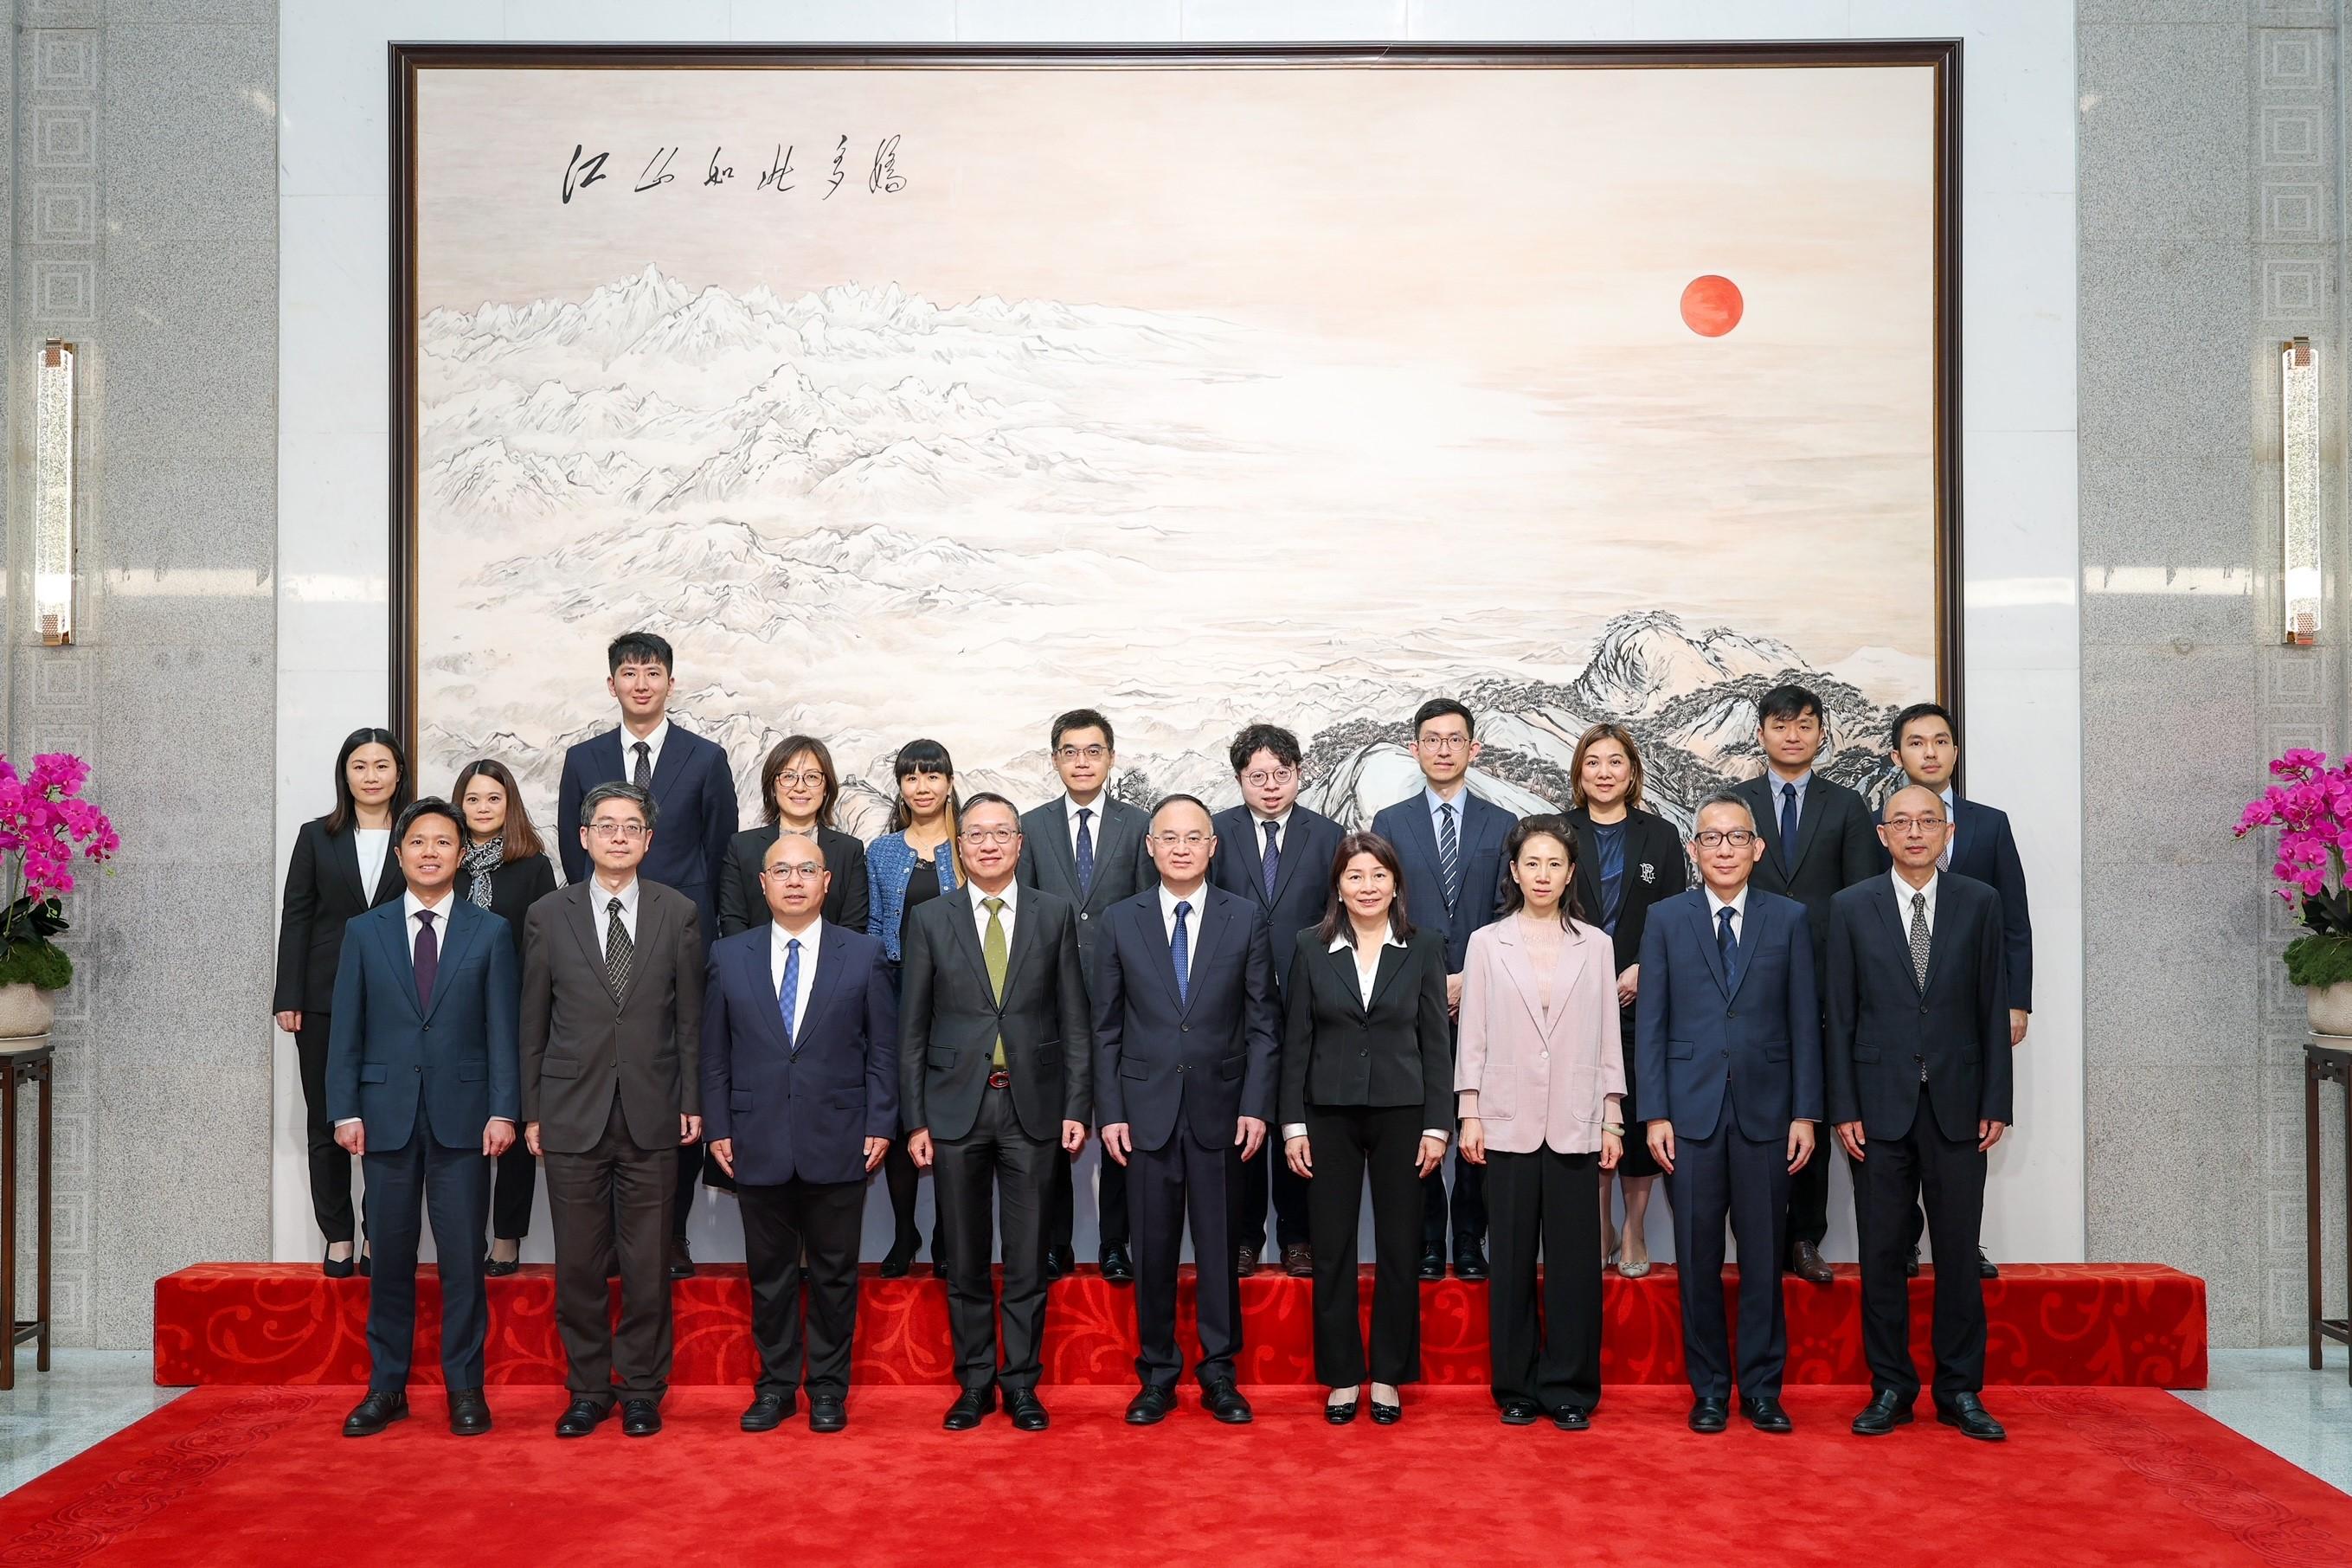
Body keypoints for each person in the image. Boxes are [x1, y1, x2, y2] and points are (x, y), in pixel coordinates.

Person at [327, 798, 520, 1438]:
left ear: (461, 855)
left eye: (443, 842)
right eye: (418, 842)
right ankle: (387, 1387)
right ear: (399, 853)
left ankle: (466, 1388)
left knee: (464, 1259)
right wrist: (344, 1110)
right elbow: (346, 1031)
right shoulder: (365, 931)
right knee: (389, 1259)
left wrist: (504, 1110)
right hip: (384, 1118)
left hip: (465, 1120)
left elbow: (503, 1031)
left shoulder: (489, 931)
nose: (430, 852)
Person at [899, 794, 1092, 1432]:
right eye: (976, 834)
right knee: (965, 1257)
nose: (988, 844)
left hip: (1033, 1108)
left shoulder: (1052, 914)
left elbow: (1075, 1019)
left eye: (1000, 833)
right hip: (954, 1109)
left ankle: (1022, 1384)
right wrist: (916, 1119)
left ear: (1019, 843)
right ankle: (975, 1383)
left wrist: (1076, 1104)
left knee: (1028, 1257)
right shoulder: (930, 918)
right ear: (960, 846)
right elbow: (912, 1028)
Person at [1827, 786, 2013, 1443]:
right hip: (1877, 1108)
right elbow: (1839, 1014)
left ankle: (1960, 1390)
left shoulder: (1979, 902)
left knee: (1958, 1252)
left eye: (1927, 821)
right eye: (1901, 823)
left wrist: (1997, 1100)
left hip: (1960, 1105)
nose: (1914, 832)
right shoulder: (1851, 906)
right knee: (1882, 1253)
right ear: (1882, 835)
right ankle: (1891, 1388)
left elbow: (1991, 1004)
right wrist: (1843, 1105)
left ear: (1947, 832)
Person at [519, 782, 703, 1439]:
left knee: (649, 1264)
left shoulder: (679, 912)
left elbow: (690, 1020)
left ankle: (644, 1389)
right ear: (584, 836)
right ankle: (588, 1389)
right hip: (571, 1112)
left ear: (648, 840)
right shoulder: (548, 914)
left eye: (631, 826)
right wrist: (532, 1110)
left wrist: (691, 1100)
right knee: (579, 1264)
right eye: (606, 825)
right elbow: (532, 1022)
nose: (618, 836)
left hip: (653, 1110)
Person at [1636, 791, 1821, 1436]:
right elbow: (1652, 1023)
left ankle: (1763, 1390)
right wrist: (1655, 1112)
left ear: (1757, 848)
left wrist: (1806, 1112)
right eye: (1711, 838)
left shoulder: (1790, 919)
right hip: (1689, 1116)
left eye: (1736, 837)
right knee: (1697, 1258)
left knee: (1764, 1257)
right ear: (1694, 850)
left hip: (1769, 1114)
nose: (1723, 849)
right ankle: (1710, 1389)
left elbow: (1805, 1021)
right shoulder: (1666, 918)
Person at [556, 631, 738, 1281]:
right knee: (608, 1083)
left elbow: (719, 855)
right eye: (629, 673)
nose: (641, 683)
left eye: (652, 672)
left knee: (674, 1082)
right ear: (611, 684)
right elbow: (573, 851)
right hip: (603, 940)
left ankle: (672, 1234)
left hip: (679, 942)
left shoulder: (706, 758)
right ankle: (606, 1238)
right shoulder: (583, 758)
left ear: (670, 682)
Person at [704, 832, 897, 1435]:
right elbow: (713, 1054)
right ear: (762, 884)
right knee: (770, 1275)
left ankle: (829, 1390)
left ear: (826, 882)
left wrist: (880, 1121)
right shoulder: (728, 955)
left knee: (836, 1274)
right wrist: (718, 1126)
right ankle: (776, 1387)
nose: (794, 880)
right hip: (754, 1137)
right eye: (781, 871)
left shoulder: (863, 954)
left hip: (840, 1135)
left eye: (806, 870)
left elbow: (883, 1051)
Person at [1095, 795, 1278, 1425]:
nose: (1181, 848)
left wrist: (1256, 1106)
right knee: (1152, 1251)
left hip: (1222, 1111)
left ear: (1212, 847)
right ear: (1150, 847)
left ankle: (1220, 1374)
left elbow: (1264, 1024)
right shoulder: (1120, 920)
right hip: (1143, 1113)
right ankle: (1157, 1375)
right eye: (1168, 837)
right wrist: (1111, 1111)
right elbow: (1105, 1028)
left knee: (1220, 1249)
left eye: (1193, 837)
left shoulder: (1244, 917)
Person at [1457, 816, 1624, 1430]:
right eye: (1532, 863)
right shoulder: (1486, 943)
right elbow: (1472, 1033)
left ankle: (1570, 1387)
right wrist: (1469, 1110)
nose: (1543, 875)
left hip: (1577, 1117)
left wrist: (1612, 1115)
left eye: (1555, 864)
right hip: (1506, 1117)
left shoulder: (1596, 945)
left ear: (1571, 872)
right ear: (1514, 871)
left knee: (1575, 1263)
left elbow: (1608, 1034)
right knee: (1510, 1260)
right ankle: (1517, 1386)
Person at [1278, 832, 1449, 1425]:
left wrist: (1438, 1125)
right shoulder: (1309, 946)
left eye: (1378, 875)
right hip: (1327, 1114)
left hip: (1405, 1113)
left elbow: (1436, 1040)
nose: (1368, 886)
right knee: (1332, 1249)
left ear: (1396, 884)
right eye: (1355, 876)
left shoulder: (1424, 947)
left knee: (1401, 1247)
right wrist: (1293, 1124)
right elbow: (1296, 1041)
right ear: (1339, 886)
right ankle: (1344, 1375)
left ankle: (1390, 1376)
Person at [1730, 684, 1876, 1288]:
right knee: (1749, 1109)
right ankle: (1754, 1236)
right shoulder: (1734, 804)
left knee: (1808, 1109)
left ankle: (1804, 1237)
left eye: (1805, 725)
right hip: (1746, 981)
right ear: (1761, 733)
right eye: (1781, 724)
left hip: (1820, 981)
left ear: (1821, 734)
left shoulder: (1847, 806)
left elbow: (1861, 902)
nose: (1793, 735)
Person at [1888, 701, 2032, 1281]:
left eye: (1940, 741)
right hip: (1900, 1004)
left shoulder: (1989, 824)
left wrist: (2015, 1001)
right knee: (1898, 1127)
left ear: (1954, 750)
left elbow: (2015, 920)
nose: (1930, 752)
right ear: (1897, 755)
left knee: (1963, 1127)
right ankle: (1902, 1241)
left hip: (1970, 1002)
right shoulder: (1883, 821)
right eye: (1916, 742)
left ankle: (1961, 1241)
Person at [1369, 697, 1510, 1281]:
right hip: (1411, 996)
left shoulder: (1501, 823)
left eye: (1455, 740)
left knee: (1480, 1118)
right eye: (1432, 739)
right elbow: (1381, 907)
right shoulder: (1390, 822)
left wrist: (1470, 974)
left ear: (1474, 748)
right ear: (1415, 748)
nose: (1444, 750)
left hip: (1488, 995)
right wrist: (1432, 979)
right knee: (1417, 1118)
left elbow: (1509, 908)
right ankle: (1429, 1237)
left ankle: (1471, 1238)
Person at [1019, 708, 1155, 1282]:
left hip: (1124, 1000)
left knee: (1121, 1124)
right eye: (1070, 751)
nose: (1082, 761)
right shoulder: (1031, 826)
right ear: (1055, 760)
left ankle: (1116, 1242)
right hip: (1050, 1002)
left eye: (1093, 750)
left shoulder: (1139, 825)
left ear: (1111, 757)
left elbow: (1148, 915)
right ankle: (1056, 1242)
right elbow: (1024, 915)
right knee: (1052, 1124)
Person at [273, 727, 413, 1277]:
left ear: (398, 774)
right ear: (345, 775)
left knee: (390, 1123)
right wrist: (289, 994)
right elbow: (297, 916)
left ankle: (378, 1234)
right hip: (323, 996)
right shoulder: (316, 836)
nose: (371, 776)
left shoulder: (418, 836)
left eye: (382, 765)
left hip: (400, 998)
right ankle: (337, 1236)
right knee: (326, 1119)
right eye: (360, 766)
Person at [1213, 723, 1344, 1279]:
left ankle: (1298, 1238)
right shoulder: (1216, 832)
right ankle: (1244, 1237)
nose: (1270, 786)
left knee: (1298, 1118)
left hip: (1305, 998)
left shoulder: (1328, 834)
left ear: (1299, 773)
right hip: (1230, 999)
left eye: (1281, 774)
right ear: (1240, 779)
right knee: (1242, 1120)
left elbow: (1339, 916)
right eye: (1257, 776)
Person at [1563, 723, 1686, 1279]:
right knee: (1584, 1111)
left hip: (1643, 996)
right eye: (1593, 762)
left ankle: (1634, 1225)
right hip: (1571, 998)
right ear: (1579, 772)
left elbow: (1677, 916)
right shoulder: (1557, 831)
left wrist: (1646, 969)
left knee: (1636, 1113)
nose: (1604, 772)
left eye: (1616, 761)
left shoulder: (1659, 835)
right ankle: (1599, 1222)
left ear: (1632, 771)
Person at [453, 757, 558, 1276]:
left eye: (493, 798)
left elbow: (546, 946)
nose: (482, 808)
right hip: (453, 1015)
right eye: (472, 799)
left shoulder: (533, 866)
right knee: (462, 1129)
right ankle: (463, 1234)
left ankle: (506, 1238)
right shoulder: (442, 862)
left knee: (514, 1127)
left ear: (509, 803)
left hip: (516, 1012)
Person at [864, 738, 961, 1275]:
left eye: (932, 775)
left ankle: (948, 1234)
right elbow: (875, 926)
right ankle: (905, 1233)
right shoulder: (881, 851)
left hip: (962, 997)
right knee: (903, 1116)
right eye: (911, 777)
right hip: (899, 992)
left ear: (949, 782)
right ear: (900, 787)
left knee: (952, 1115)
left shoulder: (970, 844)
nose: (922, 787)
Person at [717, 736, 870, 937]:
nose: (800, 787)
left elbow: (853, 926)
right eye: (789, 776)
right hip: (754, 956)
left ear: (826, 788)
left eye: (812, 777)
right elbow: (733, 921)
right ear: (772, 787)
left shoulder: (849, 850)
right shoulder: (742, 847)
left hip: (832, 956)